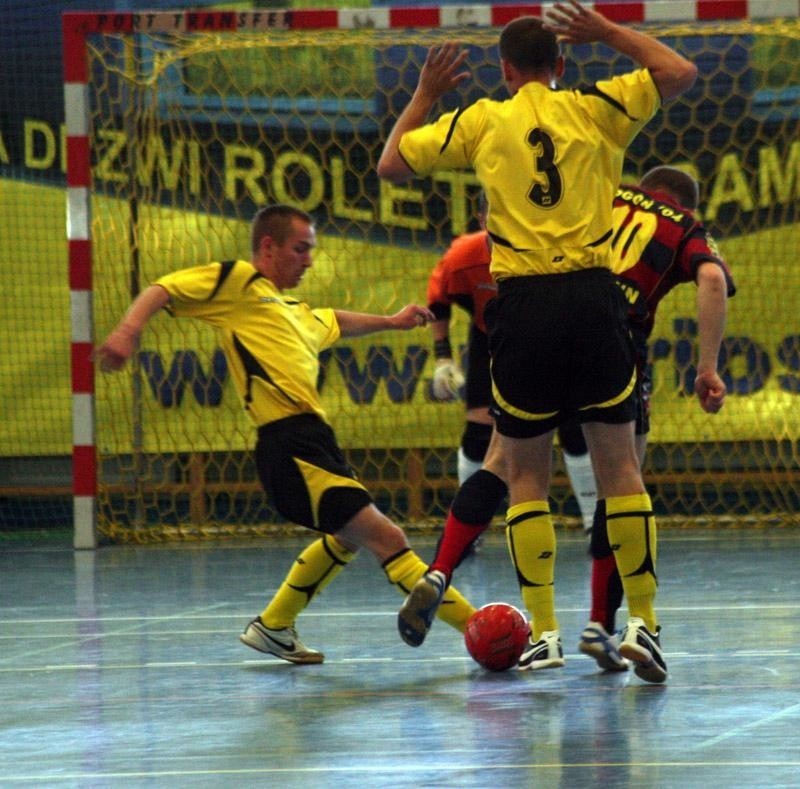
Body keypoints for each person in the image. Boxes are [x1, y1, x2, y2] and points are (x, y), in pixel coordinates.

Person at [378, 0, 697, 682]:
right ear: (561, 63)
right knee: (621, 471)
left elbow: (390, 165)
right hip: (591, 294)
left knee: (523, 473)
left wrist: (426, 95)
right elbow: (678, 69)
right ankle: (642, 620)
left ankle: (544, 632)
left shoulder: (482, 119)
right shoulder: (593, 107)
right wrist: (607, 31)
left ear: (503, 69)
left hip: (519, 307)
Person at [96, 204, 476, 664]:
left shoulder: (294, 311)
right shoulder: (237, 283)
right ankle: (483, 631)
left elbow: (333, 320)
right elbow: (162, 289)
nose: (309, 259)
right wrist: (128, 329)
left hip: (315, 442)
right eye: (301, 249)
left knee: (347, 537)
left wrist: (391, 322)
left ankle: (274, 626)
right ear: (268, 248)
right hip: (288, 444)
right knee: (388, 539)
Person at [578, 165, 735, 670]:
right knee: (621, 483)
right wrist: (707, 368)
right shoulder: (682, 225)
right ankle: (619, 625)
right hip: (614, 343)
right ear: (686, 203)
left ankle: (542, 634)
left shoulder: (602, 190)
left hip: (539, 325)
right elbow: (711, 278)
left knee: (512, 471)